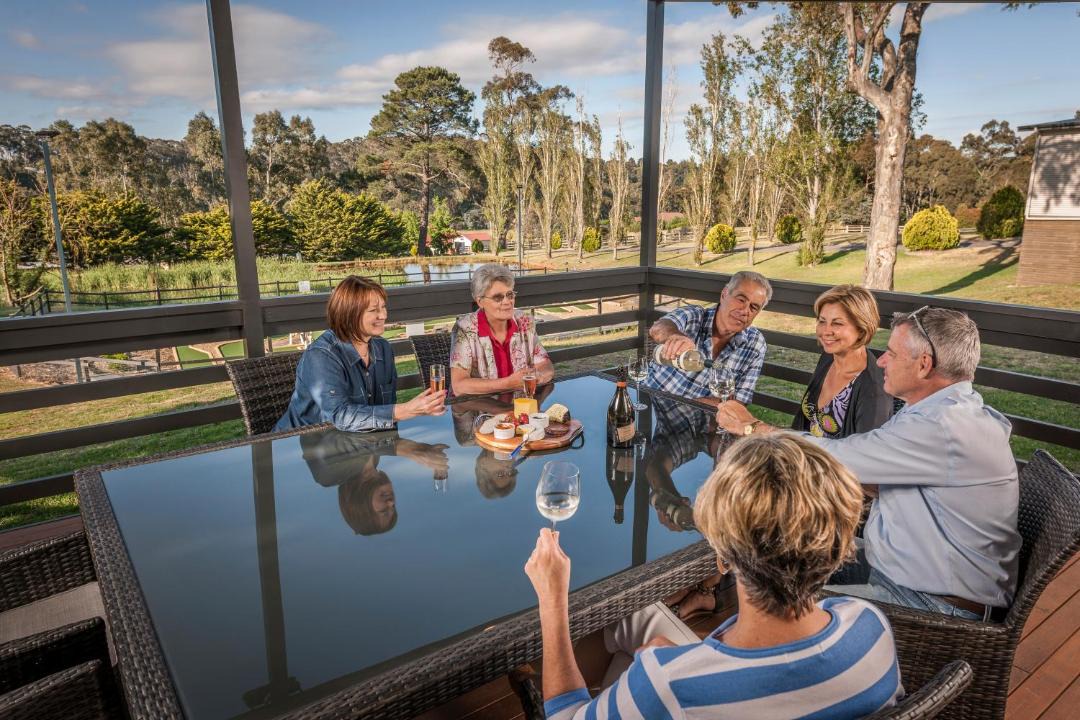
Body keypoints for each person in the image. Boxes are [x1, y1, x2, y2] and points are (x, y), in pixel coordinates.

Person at [525, 434, 902, 719]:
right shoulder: (871, 626)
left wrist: (553, 600)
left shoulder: (669, 687)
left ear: (722, 558)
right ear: (836, 544)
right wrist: (683, 661)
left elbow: (562, 716)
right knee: (632, 615)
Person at [716, 306, 1021, 620]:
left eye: (891, 353)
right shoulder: (943, 410)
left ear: (924, 365)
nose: (881, 361)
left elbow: (834, 455)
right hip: (902, 565)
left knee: (770, 601)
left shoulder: (941, 427)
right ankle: (708, 596)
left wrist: (753, 428)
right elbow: (868, 473)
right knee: (771, 552)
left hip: (932, 603)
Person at [275, 276, 446, 433]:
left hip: (355, 446)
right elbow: (340, 415)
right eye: (374, 310)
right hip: (301, 445)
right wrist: (406, 410)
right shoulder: (322, 356)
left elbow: (382, 415)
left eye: (383, 307)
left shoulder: (383, 349)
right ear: (350, 314)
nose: (384, 315)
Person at [645, 270, 770, 406]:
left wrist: (690, 407)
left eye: (754, 307)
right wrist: (676, 337)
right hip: (651, 406)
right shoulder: (694, 316)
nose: (745, 311)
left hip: (698, 421)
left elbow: (739, 402)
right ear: (724, 294)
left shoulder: (755, 344)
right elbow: (658, 328)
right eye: (741, 299)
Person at [301, 427, 449, 535]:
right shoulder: (375, 461)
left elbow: (348, 434)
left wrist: (407, 449)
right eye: (393, 507)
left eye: (384, 511)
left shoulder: (327, 475)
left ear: (361, 508)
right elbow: (383, 426)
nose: (391, 503)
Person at [793, 284, 893, 438]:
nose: (826, 331)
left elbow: (865, 454)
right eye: (822, 321)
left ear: (861, 329)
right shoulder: (829, 357)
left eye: (837, 323)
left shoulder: (873, 390)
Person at [450, 263, 554, 396]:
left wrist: (538, 376)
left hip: (519, 409)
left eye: (510, 295)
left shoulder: (524, 321)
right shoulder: (465, 329)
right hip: (479, 410)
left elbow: (546, 365)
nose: (507, 302)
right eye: (498, 297)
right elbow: (459, 385)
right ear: (480, 301)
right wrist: (507, 383)